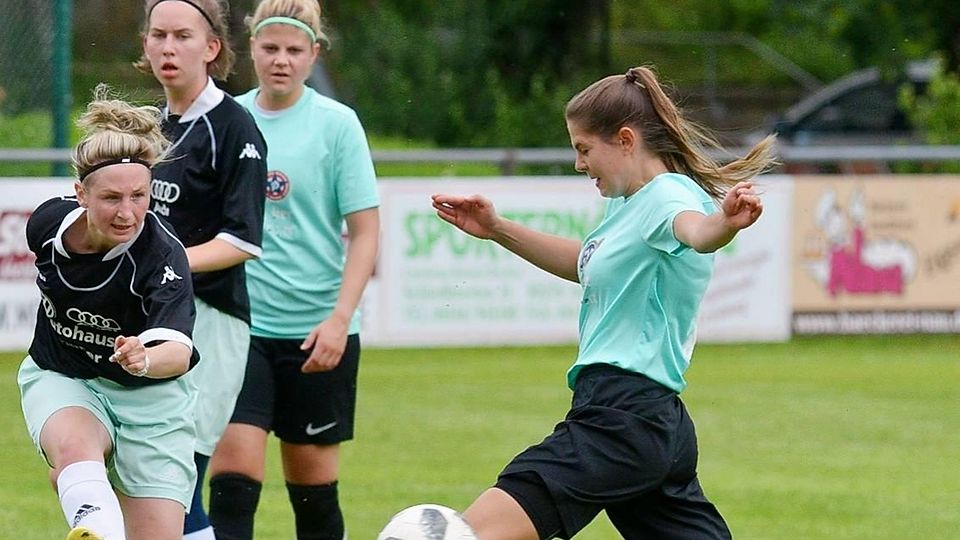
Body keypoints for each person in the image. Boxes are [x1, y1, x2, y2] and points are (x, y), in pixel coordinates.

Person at [430, 66, 777, 539]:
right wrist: (498, 229)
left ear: (626, 140)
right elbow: (585, 263)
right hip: (650, 420)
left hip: (622, 419)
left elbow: (696, 232)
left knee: (471, 533)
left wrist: (726, 223)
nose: (579, 163)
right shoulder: (627, 202)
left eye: (583, 148)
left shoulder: (666, 197)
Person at [206, 1, 380, 538]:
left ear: (314, 54)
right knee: (233, 486)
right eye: (270, 47)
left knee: (315, 499)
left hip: (316, 334)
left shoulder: (338, 125)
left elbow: (367, 232)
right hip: (240, 328)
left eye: (294, 50)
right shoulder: (226, 119)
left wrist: (339, 319)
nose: (281, 60)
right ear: (250, 46)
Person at [18, 87, 200, 540]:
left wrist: (145, 357)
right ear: (80, 193)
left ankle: (89, 498)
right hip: (64, 375)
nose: (127, 213)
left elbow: (177, 352)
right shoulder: (45, 228)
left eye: (139, 196)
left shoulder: (162, 256)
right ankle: (94, 526)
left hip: (152, 404)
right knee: (76, 449)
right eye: (111, 198)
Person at [135, 1, 267, 538]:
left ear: (212, 48)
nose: (168, 47)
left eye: (182, 36)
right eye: (158, 35)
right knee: (140, 472)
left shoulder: (233, 126)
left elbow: (241, 241)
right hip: (148, 315)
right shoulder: (147, 126)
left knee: (178, 472)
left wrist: (162, 265)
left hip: (210, 319)